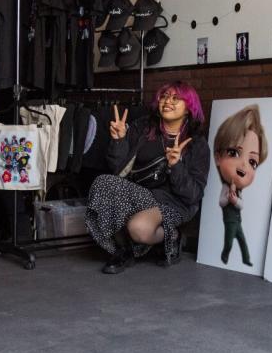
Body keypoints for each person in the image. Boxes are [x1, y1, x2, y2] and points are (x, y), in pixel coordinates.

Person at [85, 81, 210, 274]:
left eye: (176, 98)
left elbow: (193, 194)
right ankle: (123, 251)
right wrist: (119, 140)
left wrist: (175, 166)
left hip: (175, 201)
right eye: (165, 96)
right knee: (104, 183)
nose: (168, 101)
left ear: (188, 109)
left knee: (139, 229)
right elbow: (118, 169)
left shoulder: (197, 144)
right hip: (143, 192)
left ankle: (173, 237)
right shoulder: (143, 127)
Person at [214, 105, 268, 267]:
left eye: (252, 162)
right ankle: (224, 257)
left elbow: (241, 205)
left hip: (237, 221)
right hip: (230, 221)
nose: (243, 165)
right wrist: (229, 199)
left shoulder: (239, 190)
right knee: (229, 242)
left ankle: (246, 259)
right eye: (234, 153)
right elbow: (221, 203)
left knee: (243, 242)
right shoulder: (225, 187)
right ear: (218, 158)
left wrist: (235, 199)